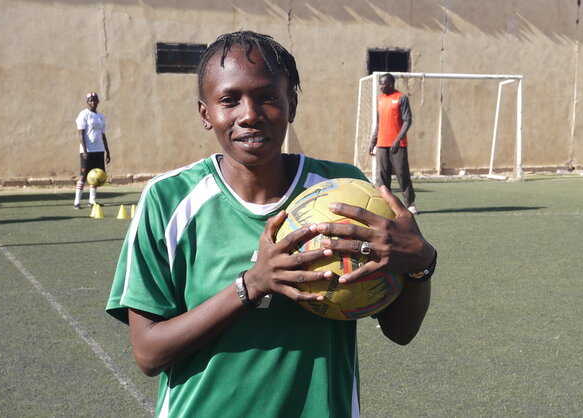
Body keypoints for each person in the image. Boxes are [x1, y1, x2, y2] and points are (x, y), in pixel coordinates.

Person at [105, 31, 437, 417]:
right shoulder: (168, 200)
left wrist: (421, 265)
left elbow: (401, 331)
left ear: (291, 105)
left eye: (267, 97)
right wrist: (252, 285)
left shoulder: (344, 192)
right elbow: (148, 353)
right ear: (205, 113)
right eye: (229, 100)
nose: (249, 114)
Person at [369, 73, 417, 214]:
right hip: (382, 144)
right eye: (380, 83)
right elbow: (378, 123)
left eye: (383, 83)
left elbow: (407, 120)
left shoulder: (401, 98)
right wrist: (373, 141)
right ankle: (386, 205)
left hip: (398, 145)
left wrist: (397, 139)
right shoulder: (380, 99)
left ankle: (410, 204)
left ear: (391, 83)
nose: (381, 86)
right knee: (382, 176)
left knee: (402, 174)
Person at [73, 92, 111, 209]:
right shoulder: (84, 115)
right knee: (83, 176)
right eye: (90, 100)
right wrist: (84, 150)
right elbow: (80, 133)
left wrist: (107, 151)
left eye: (95, 100)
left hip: (99, 150)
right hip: (88, 150)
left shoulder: (101, 117)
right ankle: (77, 202)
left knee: (96, 176)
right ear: (87, 102)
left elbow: (103, 135)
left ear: (98, 101)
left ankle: (92, 201)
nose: (93, 102)